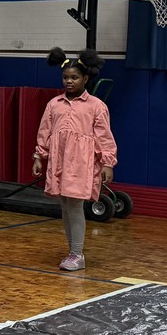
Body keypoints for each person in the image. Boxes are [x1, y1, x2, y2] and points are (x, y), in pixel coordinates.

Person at [32, 47, 118, 272]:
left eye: (74, 77)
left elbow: (104, 136)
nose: (69, 81)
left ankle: (77, 254)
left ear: (85, 78)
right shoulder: (54, 104)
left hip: (81, 162)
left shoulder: (96, 106)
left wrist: (108, 162)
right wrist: (39, 156)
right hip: (59, 161)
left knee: (75, 205)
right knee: (65, 205)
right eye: (65, 77)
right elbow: (44, 132)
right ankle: (72, 251)